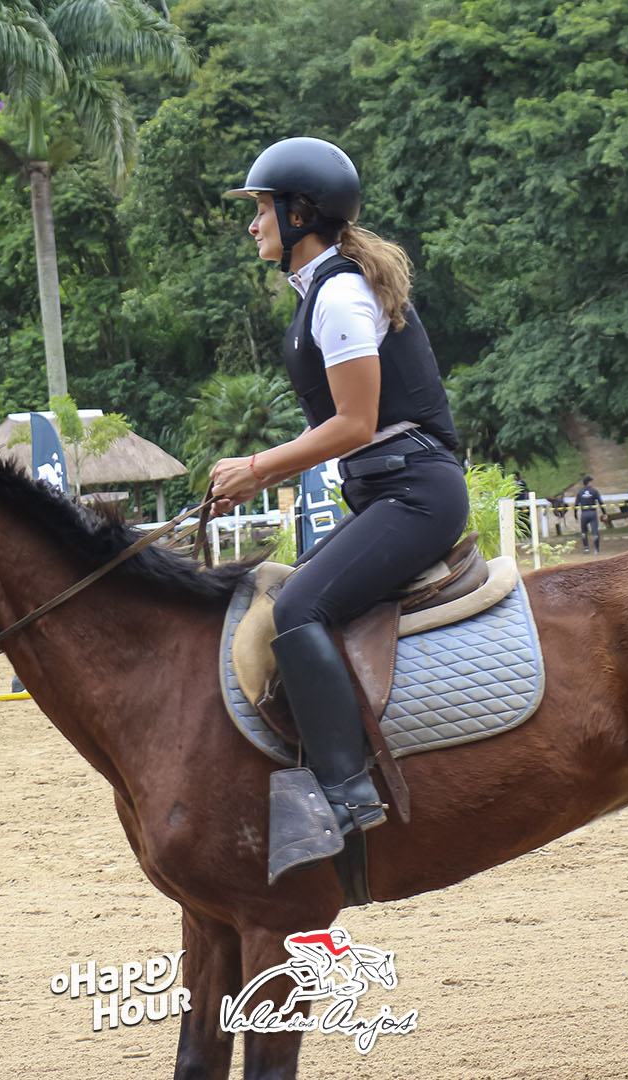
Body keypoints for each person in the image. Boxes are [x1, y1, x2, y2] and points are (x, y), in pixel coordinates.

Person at [214, 136, 468, 876]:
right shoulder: (320, 292)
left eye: (261, 209)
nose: (253, 223)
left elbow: (356, 425)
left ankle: (347, 793)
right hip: (389, 489)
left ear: (300, 213)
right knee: (289, 594)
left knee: (299, 613)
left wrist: (258, 468)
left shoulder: (341, 294)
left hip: (415, 493)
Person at [574, 476, 604, 554]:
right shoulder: (594, 491)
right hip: (592, 513)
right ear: (589, 482)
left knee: (583, 531)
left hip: (584, 513)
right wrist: (604, 513)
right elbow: (601, 503)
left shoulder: (580, 492)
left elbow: (576, 505)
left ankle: (586, 548)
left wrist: (575, 515)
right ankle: (596, 550)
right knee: (595, 532)